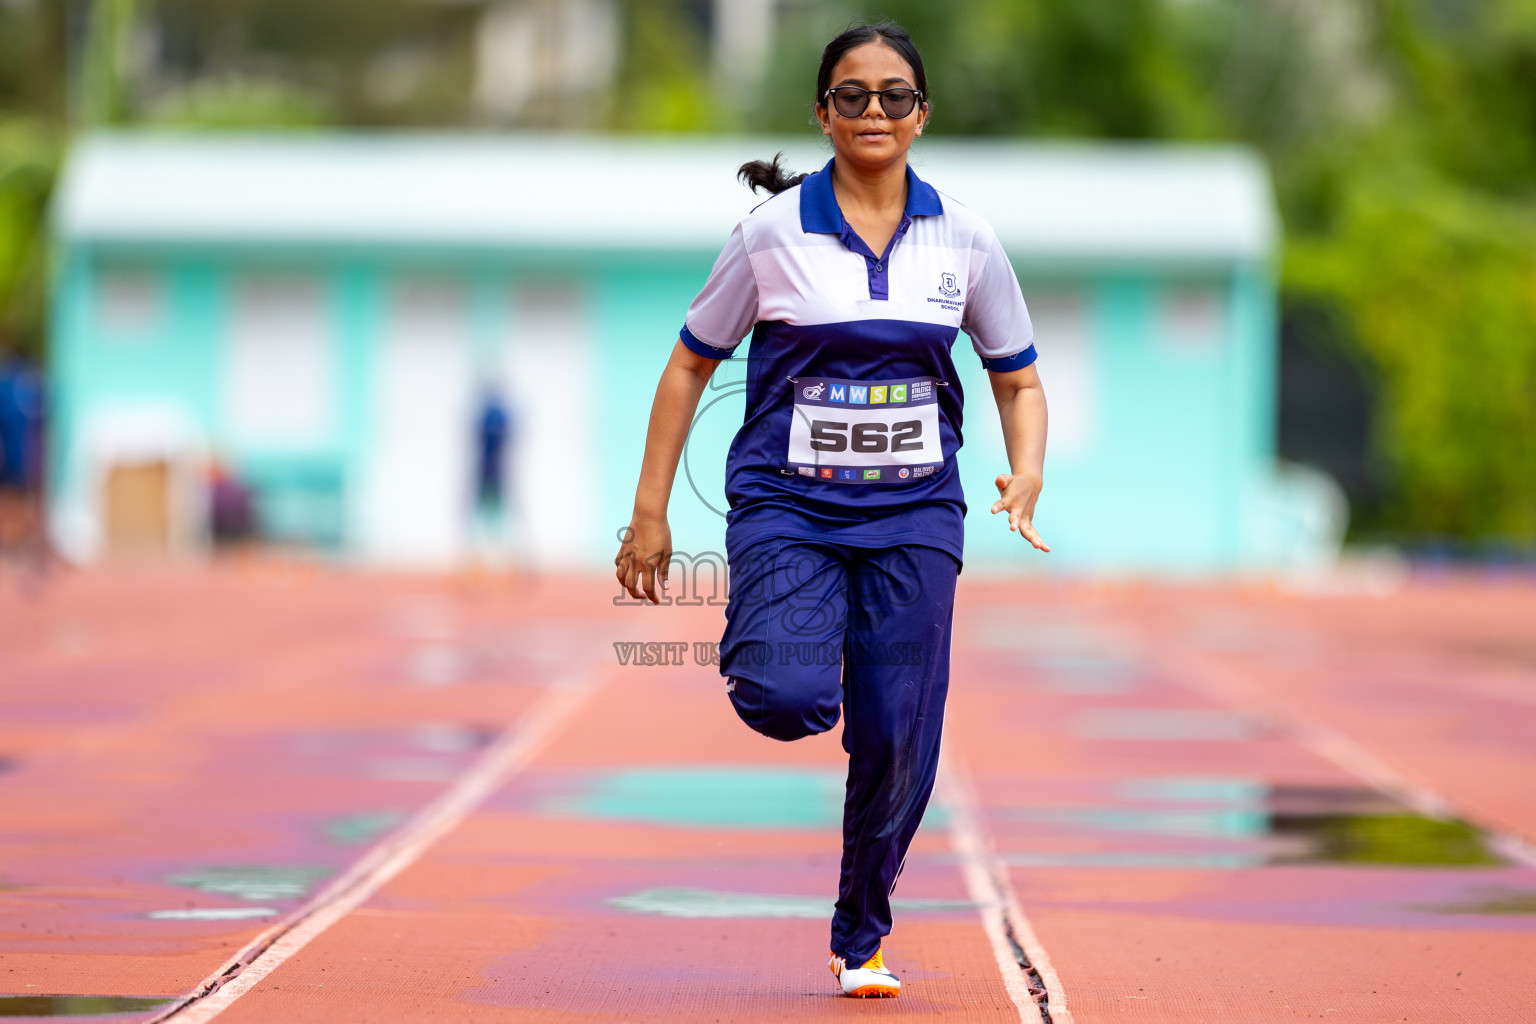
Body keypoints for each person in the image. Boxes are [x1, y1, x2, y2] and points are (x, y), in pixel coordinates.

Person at [614, 21, 1049, 999]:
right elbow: (690, 363)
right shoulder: (771, 234)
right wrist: (651, 514)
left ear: (922, 115)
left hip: (915, 517)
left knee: (899, 732)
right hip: (789, 507)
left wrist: (1026, 472)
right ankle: (788, 642)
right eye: (852, 95)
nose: (874, 112)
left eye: (895, 95)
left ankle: (863, 936)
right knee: (786, 695)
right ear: (822, 113)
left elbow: (1018, 379)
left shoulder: (967, 239)